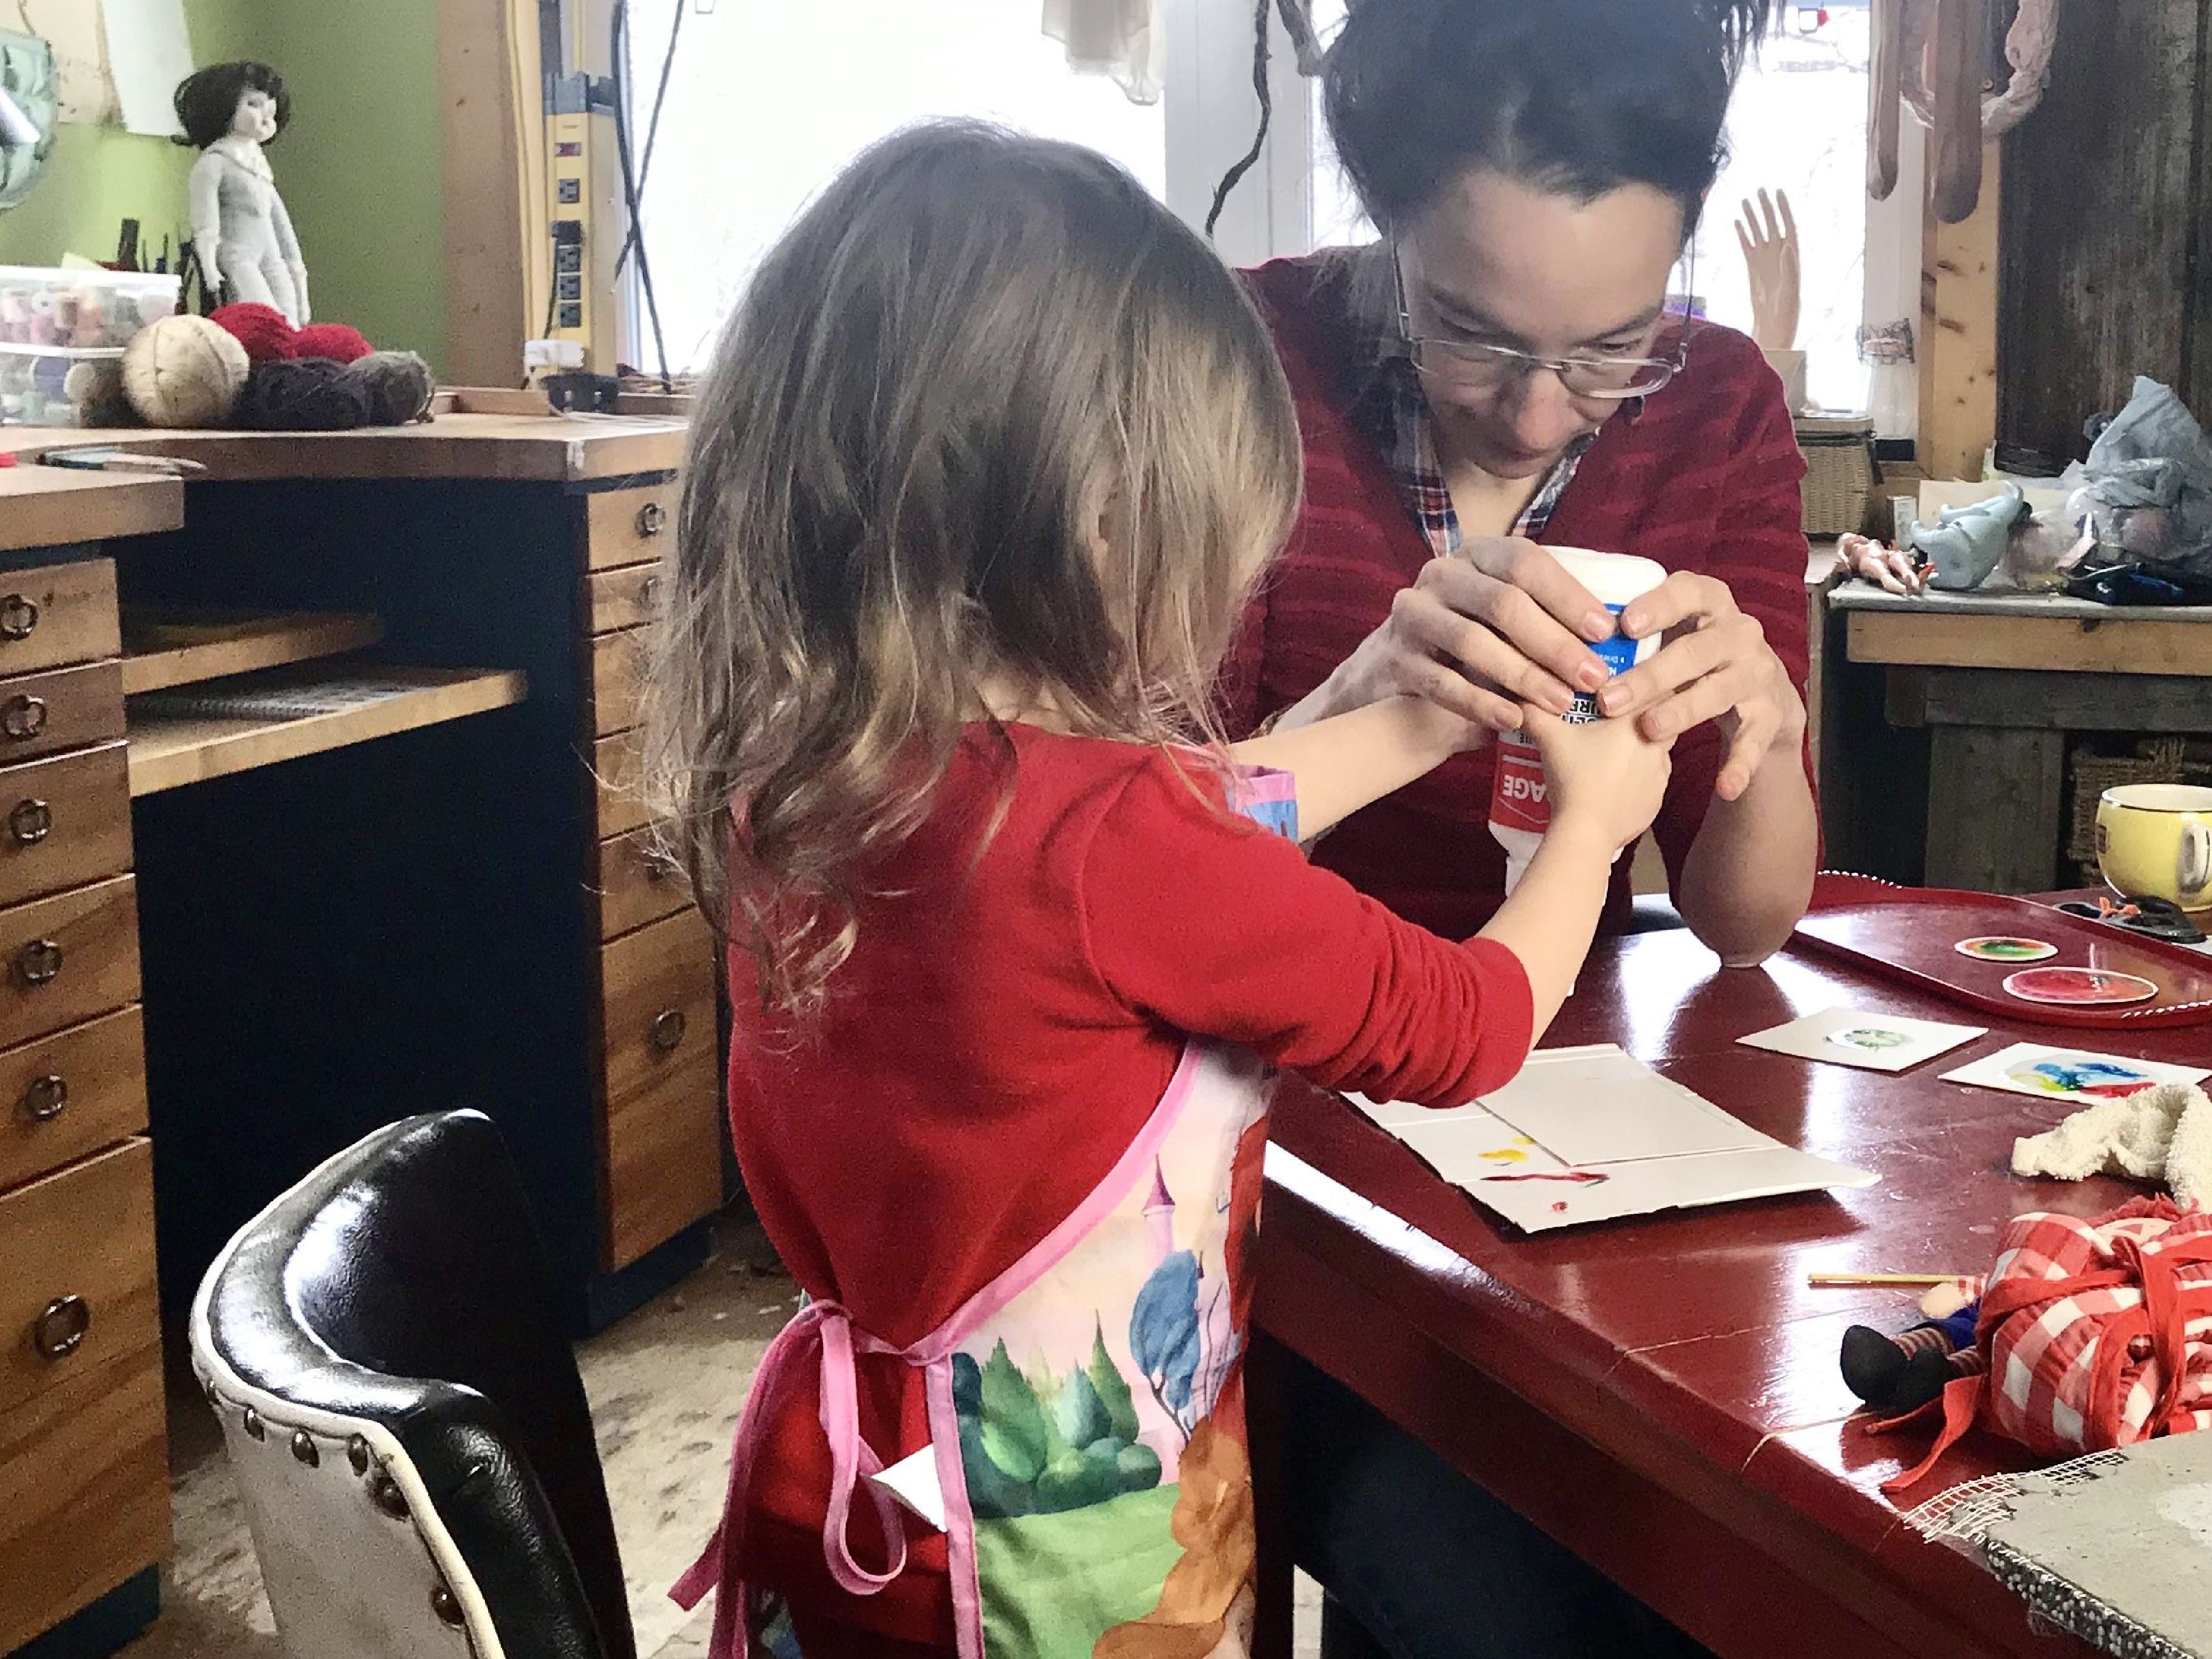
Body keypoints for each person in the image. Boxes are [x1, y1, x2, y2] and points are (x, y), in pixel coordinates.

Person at [643, 121, 1673, 1658]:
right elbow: (1460, 1026)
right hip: (1070, 1565)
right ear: (1104, 521)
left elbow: (1177, 827)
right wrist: (1593, 830)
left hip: (876, 1507)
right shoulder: (1110, 842)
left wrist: (1412, 722)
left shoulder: (833, 774)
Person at [1214, 0, 1822, 1653]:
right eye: (1472, 335)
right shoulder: (1235, 369)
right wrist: (1360, 697)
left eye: (1613, 347)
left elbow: (1749, 922)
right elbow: (1122, 869)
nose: (1545, 414)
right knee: (1512, 1600)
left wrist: (1759, 727)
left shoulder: (1715, 406)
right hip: (1269, 1165)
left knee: (1733, 1552)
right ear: (1383, 220)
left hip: (1571, 1150)